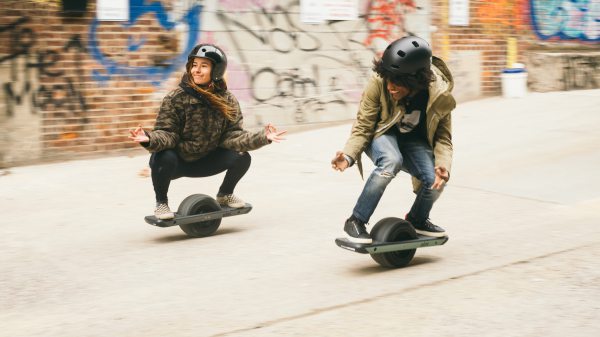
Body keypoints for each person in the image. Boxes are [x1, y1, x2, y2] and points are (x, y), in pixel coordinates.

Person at [129, 43, 286, 220]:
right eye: (194, 65)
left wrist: (263, 137)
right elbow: (167, 133)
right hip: (179, 163)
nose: (197, 70)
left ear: (216, 71)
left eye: (204, 66)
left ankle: (225, 194)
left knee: (242, 156)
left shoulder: (227, 100)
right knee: (161, 156)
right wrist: (148, 138)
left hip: (209, 160)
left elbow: (233, 136)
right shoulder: (175, 98)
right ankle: (161, 203)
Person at [331, 36, 455, 243]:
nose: (390, 87)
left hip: (414, 141)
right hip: (382, 133)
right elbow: (363, 124)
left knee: (436, 181)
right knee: (391, 160)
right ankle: (356, 220)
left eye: (397, 82)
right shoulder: (378, 82)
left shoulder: (439, 95)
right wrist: (348, 156)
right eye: (388, 79)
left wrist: (443, 165)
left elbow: (444, 137)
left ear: (415, 81)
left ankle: (418, 219)